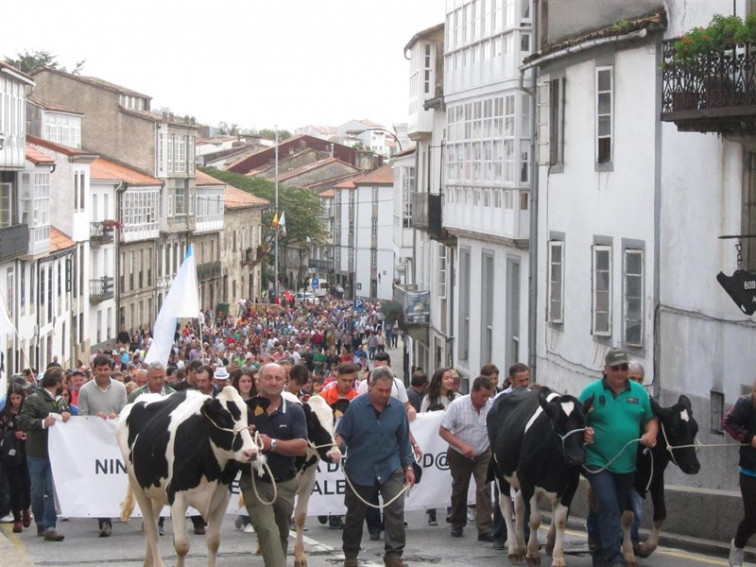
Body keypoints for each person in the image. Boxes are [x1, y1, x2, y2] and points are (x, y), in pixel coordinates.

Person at [579, 348, 657, 567]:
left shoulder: (639, 393)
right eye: (616, 368)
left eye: (624, 368)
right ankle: (614, 557)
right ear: (605, 369)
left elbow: (651, 419)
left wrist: (651, 433)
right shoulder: (591, 392)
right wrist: (585, 432)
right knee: (609, 505)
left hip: (626, 464)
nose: (620, 373)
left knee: (615, 508)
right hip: (597, 461)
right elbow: (575, 420)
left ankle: (599, 549)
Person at [336, 366, 415, 567]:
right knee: (355, 514)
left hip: (390, 466)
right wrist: (338, 445)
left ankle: (394, 555)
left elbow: (404, 440)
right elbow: (342, 436)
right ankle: (351, 555)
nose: (384, 395)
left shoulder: (397, 408)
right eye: (380, 390)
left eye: (388, 391)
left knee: (395, 509)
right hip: (360, 468)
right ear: (370, 386)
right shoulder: (354, 407)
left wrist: (408, 467)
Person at [239, 362, 307, 566]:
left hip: (285, 483)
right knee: (268, 531)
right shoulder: (244, 409)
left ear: (285, 381)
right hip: (255, 482)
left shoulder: (295, 411)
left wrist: (273, 444)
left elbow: (302, 446)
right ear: (258, 381)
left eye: (278, 378)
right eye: (268, 377)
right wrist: (245, 438)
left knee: (282, 534)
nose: (273, 382)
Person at [18, 366, 71, 541]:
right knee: (37, 489)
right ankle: (39, 520)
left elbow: (68, 418)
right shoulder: (35, 400)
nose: (65, 384)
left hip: (55, 453)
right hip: (37, 452)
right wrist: (42, 423)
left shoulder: (60, 401)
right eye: (63, 380)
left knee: (51, 489)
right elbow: (23, 421)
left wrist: (65, 415)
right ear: (57, 382)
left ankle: (50, 526)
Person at [439, 376, 496, 541]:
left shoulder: (491, 406)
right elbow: (443, 430)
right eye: (482, 396)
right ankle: (457, 524)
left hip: (483, 453)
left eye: (488, 396)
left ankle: (485, 528)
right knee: (460, 488)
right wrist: (462, 446)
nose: (485, 399)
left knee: (484, 488)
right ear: (473, 392)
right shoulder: (458, 405)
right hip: (459, 454)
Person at [78, 354, 128, 537]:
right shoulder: (85, 390)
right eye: (99, 370)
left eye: (106, 369)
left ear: (111, 369)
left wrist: (117, 416)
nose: (103, 373)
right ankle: (104, 520)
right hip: (96, 442)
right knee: (100, 479)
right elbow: (82, 416)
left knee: (117, 477)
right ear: (93, 370)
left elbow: (125, 411)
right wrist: (93, 418)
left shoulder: (121, 388)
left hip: (116, 441)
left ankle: (121, 510)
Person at [723, 376, 756, 567]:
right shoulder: (747, 403)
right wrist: (749, 437)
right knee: (753, 517)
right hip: (751, 469)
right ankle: (738, 546)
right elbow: (728, 422)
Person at [421, 367, 461, 526]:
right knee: (433, 476)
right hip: (434, 443)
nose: (451, 380)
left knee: (451, 476)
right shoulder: (428, 399)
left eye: (452, 378)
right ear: (438, 381)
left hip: (452, 442)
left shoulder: (458, 398)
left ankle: (452, 508)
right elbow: (422, 418)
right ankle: (432, 511)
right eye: (447, 378)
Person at [0, 381, 31, 533]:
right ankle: (17, 518)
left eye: (18, 398)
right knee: (14, 487)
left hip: (26, 452)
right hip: (10, 455)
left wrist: (27, 435)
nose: (16, 401)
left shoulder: (27, 412)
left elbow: (35, 427)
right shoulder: (4, 415)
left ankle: (26, 508)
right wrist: (12, 434)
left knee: (27, 485)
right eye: (13, 398)